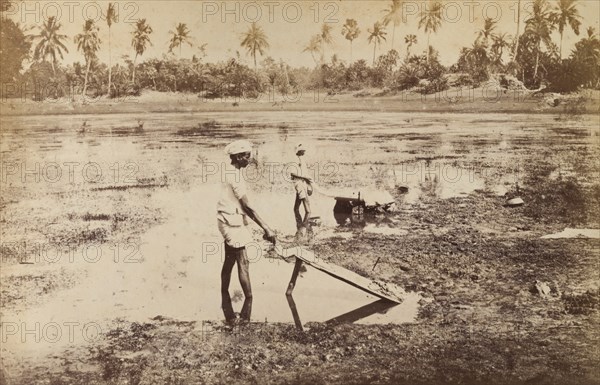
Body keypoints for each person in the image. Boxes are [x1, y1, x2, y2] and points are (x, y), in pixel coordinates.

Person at [217, 139, 276, 325]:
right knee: (243, 262)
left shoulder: (230, 172)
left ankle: (224, 295)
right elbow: (247, 206)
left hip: (226, 219)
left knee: (230, 260)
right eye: (247, 157)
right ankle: (249, 301)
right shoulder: (235, 177)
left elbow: (235, 203)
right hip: (231, 222)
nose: (249, 160)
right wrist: (266, 227)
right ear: (237, 157)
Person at [291, 143, 313, 226]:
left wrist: (308, 183)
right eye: (303, 150)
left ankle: (299, 222)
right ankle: (307, 218)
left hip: (303, 181)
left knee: (297, 204)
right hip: (299, 182)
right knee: (306, 201)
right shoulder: (295, 160)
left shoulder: (302, 159)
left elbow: (305, 172)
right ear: (300, 151)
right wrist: (304, 178)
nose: (305, 151)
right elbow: (292, 173)